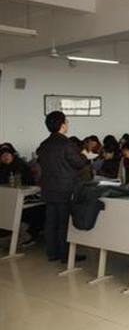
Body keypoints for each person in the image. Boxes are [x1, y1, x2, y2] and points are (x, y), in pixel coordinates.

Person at [36, 111, 88, 263]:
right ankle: (65, 255)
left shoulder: (44, 144)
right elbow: (79, 163)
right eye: (66, 121)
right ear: (62, 125)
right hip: (65, 189)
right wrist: (84, 155)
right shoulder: (66, 144)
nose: (67, 124)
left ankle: (52, 253)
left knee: (51, 221)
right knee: (63, 222)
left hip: (48, 188)